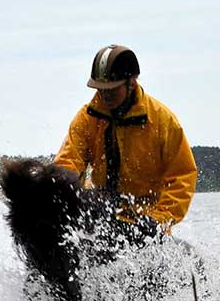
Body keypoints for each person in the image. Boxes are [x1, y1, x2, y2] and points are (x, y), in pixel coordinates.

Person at [54, 44, 199, 237]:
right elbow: (67, 164)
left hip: (148, 225)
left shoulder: (163, 121)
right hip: (100, 219)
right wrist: (61, 194)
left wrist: (159, 219)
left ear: (131, 82)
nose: (105, 95)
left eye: (112, 90)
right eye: (100, 90)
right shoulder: (86, 118)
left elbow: (182, 176)